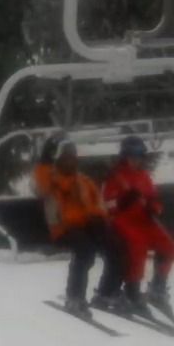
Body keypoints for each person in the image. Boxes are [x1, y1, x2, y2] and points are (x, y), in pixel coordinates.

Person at [34, 138, 122, 316]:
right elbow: (40, 187)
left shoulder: (83, 181)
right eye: (66, 158)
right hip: (63, 228)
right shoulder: (51, 179)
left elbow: (98, 202)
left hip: (87, 225)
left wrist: (98, 219)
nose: (70, 161)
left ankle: (106, 292)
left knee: (115, 246)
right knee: (85, 250)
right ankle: (74, 296)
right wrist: (43, 162)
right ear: (59, 160)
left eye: (73, 157)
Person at [104, 135, 173, 313]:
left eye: (139, 156)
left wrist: (153, 208)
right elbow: (107, 204)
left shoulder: (144, 176)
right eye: (132, 156)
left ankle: (158, 286)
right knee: (137, 246)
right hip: (123, 220)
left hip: (144, 219)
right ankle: (132, 289)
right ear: (124, 157)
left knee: (168, 244)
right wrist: (123, 201)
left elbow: (154, 198)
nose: (136, 160)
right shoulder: (116, 177)